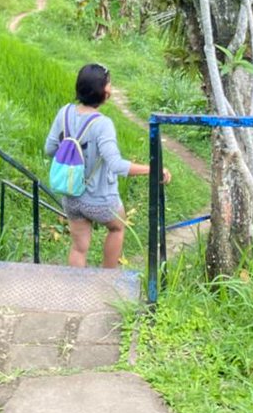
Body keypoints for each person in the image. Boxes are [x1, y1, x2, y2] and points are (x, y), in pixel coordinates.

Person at [45, 62, 171, 269]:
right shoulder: (103, 124)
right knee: (117, 228)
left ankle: (75, 292)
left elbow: (50, 149)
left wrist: (74, 156)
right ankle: (107, 280)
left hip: (70, 195)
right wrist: (154, 169)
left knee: (79, 248)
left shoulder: (64, 113)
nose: (111, 88)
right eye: (109, 84)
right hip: (101, 199)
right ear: (102, 91)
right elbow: (116, 165)